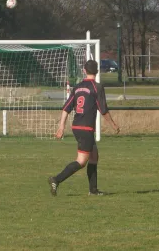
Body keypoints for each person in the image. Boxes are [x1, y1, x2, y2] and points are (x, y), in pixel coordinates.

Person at [48, 60, 119, 196]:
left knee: (94, 156)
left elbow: (66, 108)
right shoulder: (97, 87)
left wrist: (61, 127)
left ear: (85, 71)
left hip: (76, 126)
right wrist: (113, 125)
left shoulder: (78, 87)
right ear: (97, 72)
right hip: (86, 128)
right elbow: (103, 110)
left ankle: (93, 190)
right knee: (81, 161)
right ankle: (56, 180)